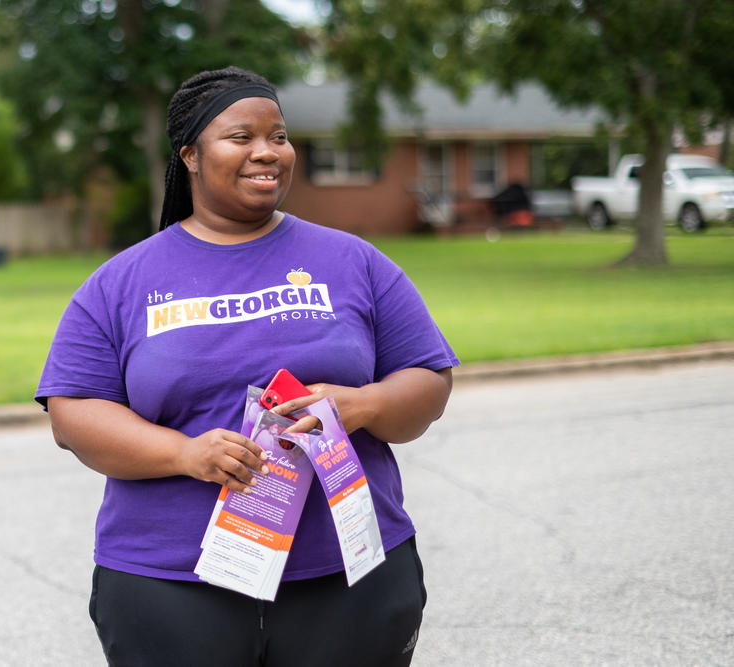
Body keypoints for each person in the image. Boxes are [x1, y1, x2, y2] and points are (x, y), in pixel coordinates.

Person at [36, 66, 459, 666]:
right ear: (190, 154)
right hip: (170, 585)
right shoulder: (122, 282)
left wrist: (360, 406)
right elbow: (72, 413)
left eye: (279, 136)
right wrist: (185, 455)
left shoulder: (353, 262)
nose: (267, 152)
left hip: (347, 576)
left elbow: (428, 376)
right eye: (242, 136)